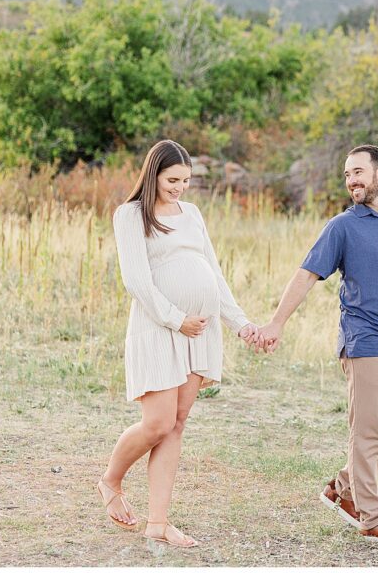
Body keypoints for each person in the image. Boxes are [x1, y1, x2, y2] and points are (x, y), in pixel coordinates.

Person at [254, 144, 378, 547]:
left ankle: (343, 486)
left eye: (358, 172)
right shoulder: (342, 226)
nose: (351, 180)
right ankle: (371, 516)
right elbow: (306, 275)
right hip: (366, 341)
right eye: (347, 174)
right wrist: (277, 323)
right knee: (367, 432)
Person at [97, 139, 260, 548]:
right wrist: (176, 319)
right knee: (157, 422)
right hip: (160, 326)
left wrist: (239, 323)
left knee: (177, 423)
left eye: (186, 180)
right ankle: (110, 480)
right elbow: (136, 280)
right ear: (153, 174)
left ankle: (158, 522)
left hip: (200, 331)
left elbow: (213, 273)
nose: (180, 187)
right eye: (173, 179)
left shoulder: (192, 214)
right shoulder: (130, 214)